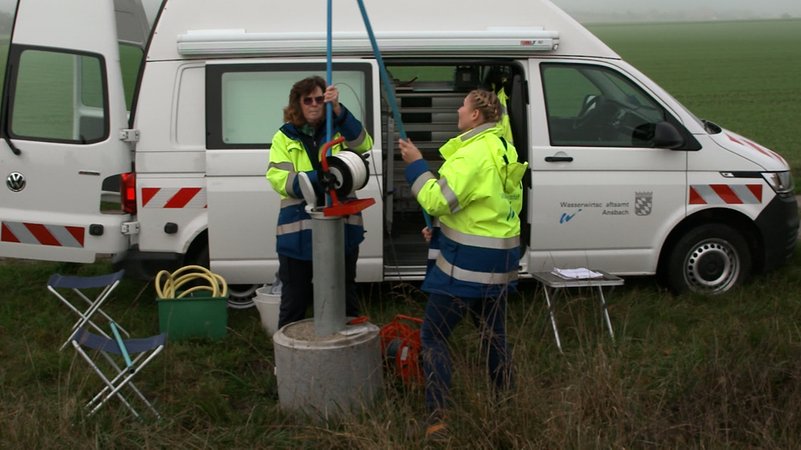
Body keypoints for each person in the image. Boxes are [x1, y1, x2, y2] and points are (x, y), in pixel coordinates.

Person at [398, 89, 527, 439]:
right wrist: (439, 233)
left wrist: (416, 165)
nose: (457, 109)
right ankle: (507, 404)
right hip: (500, 263)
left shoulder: (471, 155)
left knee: (433, 336)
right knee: (493, 337)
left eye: (463, 105)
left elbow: (438, 199)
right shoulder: (502, 148)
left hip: (467, 267)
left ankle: (438, 420)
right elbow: (485, 211)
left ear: (475, 116)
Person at [266, 76, 373, 329]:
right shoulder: (283, 138)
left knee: (344, 299)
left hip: (342, 232)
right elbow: (279, 178)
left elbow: (364, 143)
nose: (314, 104)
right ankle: (289, 363)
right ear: (298, 104)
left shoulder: (339, 129)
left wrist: (338, 109)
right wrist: (322, 178)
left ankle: (347, 358)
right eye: (308, 100)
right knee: (294, 303)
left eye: (319, 99)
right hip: (298, 237)